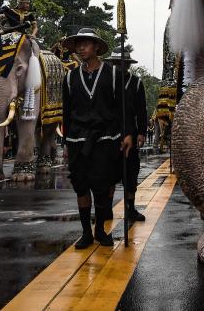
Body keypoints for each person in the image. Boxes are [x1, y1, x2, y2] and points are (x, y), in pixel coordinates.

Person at [61, 28, 133, 249]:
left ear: (97, 48)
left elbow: (124, 108)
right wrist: (65, 141)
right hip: (77, 139)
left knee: (102, 186)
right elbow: (67, 110)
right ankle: (85, 233)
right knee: (81, 187)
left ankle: (100, 230)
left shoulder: (113, 75)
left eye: (86, 44)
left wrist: (128, 133)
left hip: (106, 138)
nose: (81, 48)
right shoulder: (70, 77)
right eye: (78, 44)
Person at [104, 45, 148, 223]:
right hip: (109, 134)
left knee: (130, 175)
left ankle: (131, 208)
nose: (119, 67)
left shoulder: (136, 83)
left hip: (131, 131)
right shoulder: (106, 82)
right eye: (115, 63)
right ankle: (106, 208)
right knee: (108, 176)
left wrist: (141, 132)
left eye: (122, 64)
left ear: (128, 65)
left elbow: (141, 110)